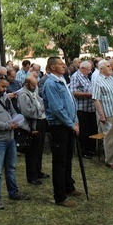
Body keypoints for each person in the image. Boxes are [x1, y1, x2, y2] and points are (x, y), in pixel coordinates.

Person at [0, 74, 29, 210]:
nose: (5, 89)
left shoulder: (5, 97)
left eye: (6, 87)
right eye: (2, 86)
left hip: (10, 138)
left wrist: (16, 120)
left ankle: (13, 192)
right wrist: (7, 126)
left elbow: (12, 111)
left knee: (11, 168)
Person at [42, 56, 81, 208]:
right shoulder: (51, 83)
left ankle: (68, 186)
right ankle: (60, 196)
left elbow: (71, 102)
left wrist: (75, 120)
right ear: (52, 67)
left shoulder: (62, 80)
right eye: (59, 64)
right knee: (60, 161)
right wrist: (71, 124)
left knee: (68, 157)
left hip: (69, 124)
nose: (63, 65)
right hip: (59, 126)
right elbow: (57, 108)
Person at [92, 59, 113, 170]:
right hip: (109, 113)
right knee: (110, 138)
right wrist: (101, 114)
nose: (110, 67)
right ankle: (110, 160)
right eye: (107, 66)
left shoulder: (112, 79)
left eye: (109, 66)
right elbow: (96, 99)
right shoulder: (97, 80)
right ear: (101, 69)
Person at [17, 75, 49, 185]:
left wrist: (40, 107)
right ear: (26, 84)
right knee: (32, 151)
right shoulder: (23, 95)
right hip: (31, 125)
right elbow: (28, 112)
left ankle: (38, 171)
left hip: (40, 122)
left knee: (39, 149)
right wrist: (40, 109)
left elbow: (41, 102)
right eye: (33, 85)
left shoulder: (34, 91)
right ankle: (32, 175)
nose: (35, 87)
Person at [69, 61, 97, 159]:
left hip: (91, 108)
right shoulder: (75, 77)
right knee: (84, 131)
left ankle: (91, 149)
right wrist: (88, 94)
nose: (89, 72)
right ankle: (83, 151)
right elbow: (73, 92)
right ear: (82, 68)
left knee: (92, 129)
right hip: (82, 109)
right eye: (88, 70)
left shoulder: (87, 77)